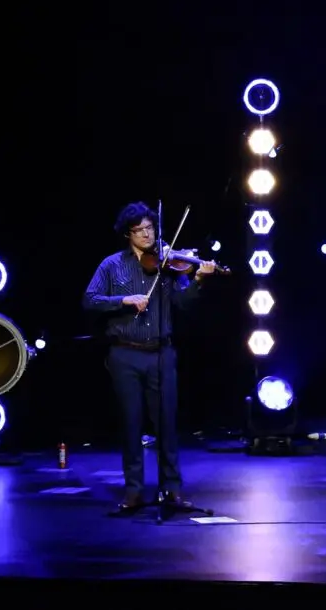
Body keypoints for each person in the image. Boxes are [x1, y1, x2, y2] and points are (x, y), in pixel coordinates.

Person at [80, 203, 218, 515]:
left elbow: (183, 303)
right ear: (127, 234)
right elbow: (90, 300)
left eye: (150, 228)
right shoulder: (112, 265)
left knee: (167, 424)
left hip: (161, 353)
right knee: (131, 424)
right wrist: (124, 300)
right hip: (125, 353)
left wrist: (198, 279)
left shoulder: (168, 264)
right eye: (139, 230)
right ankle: (133, 492)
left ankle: (172, 490)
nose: (147, 234)